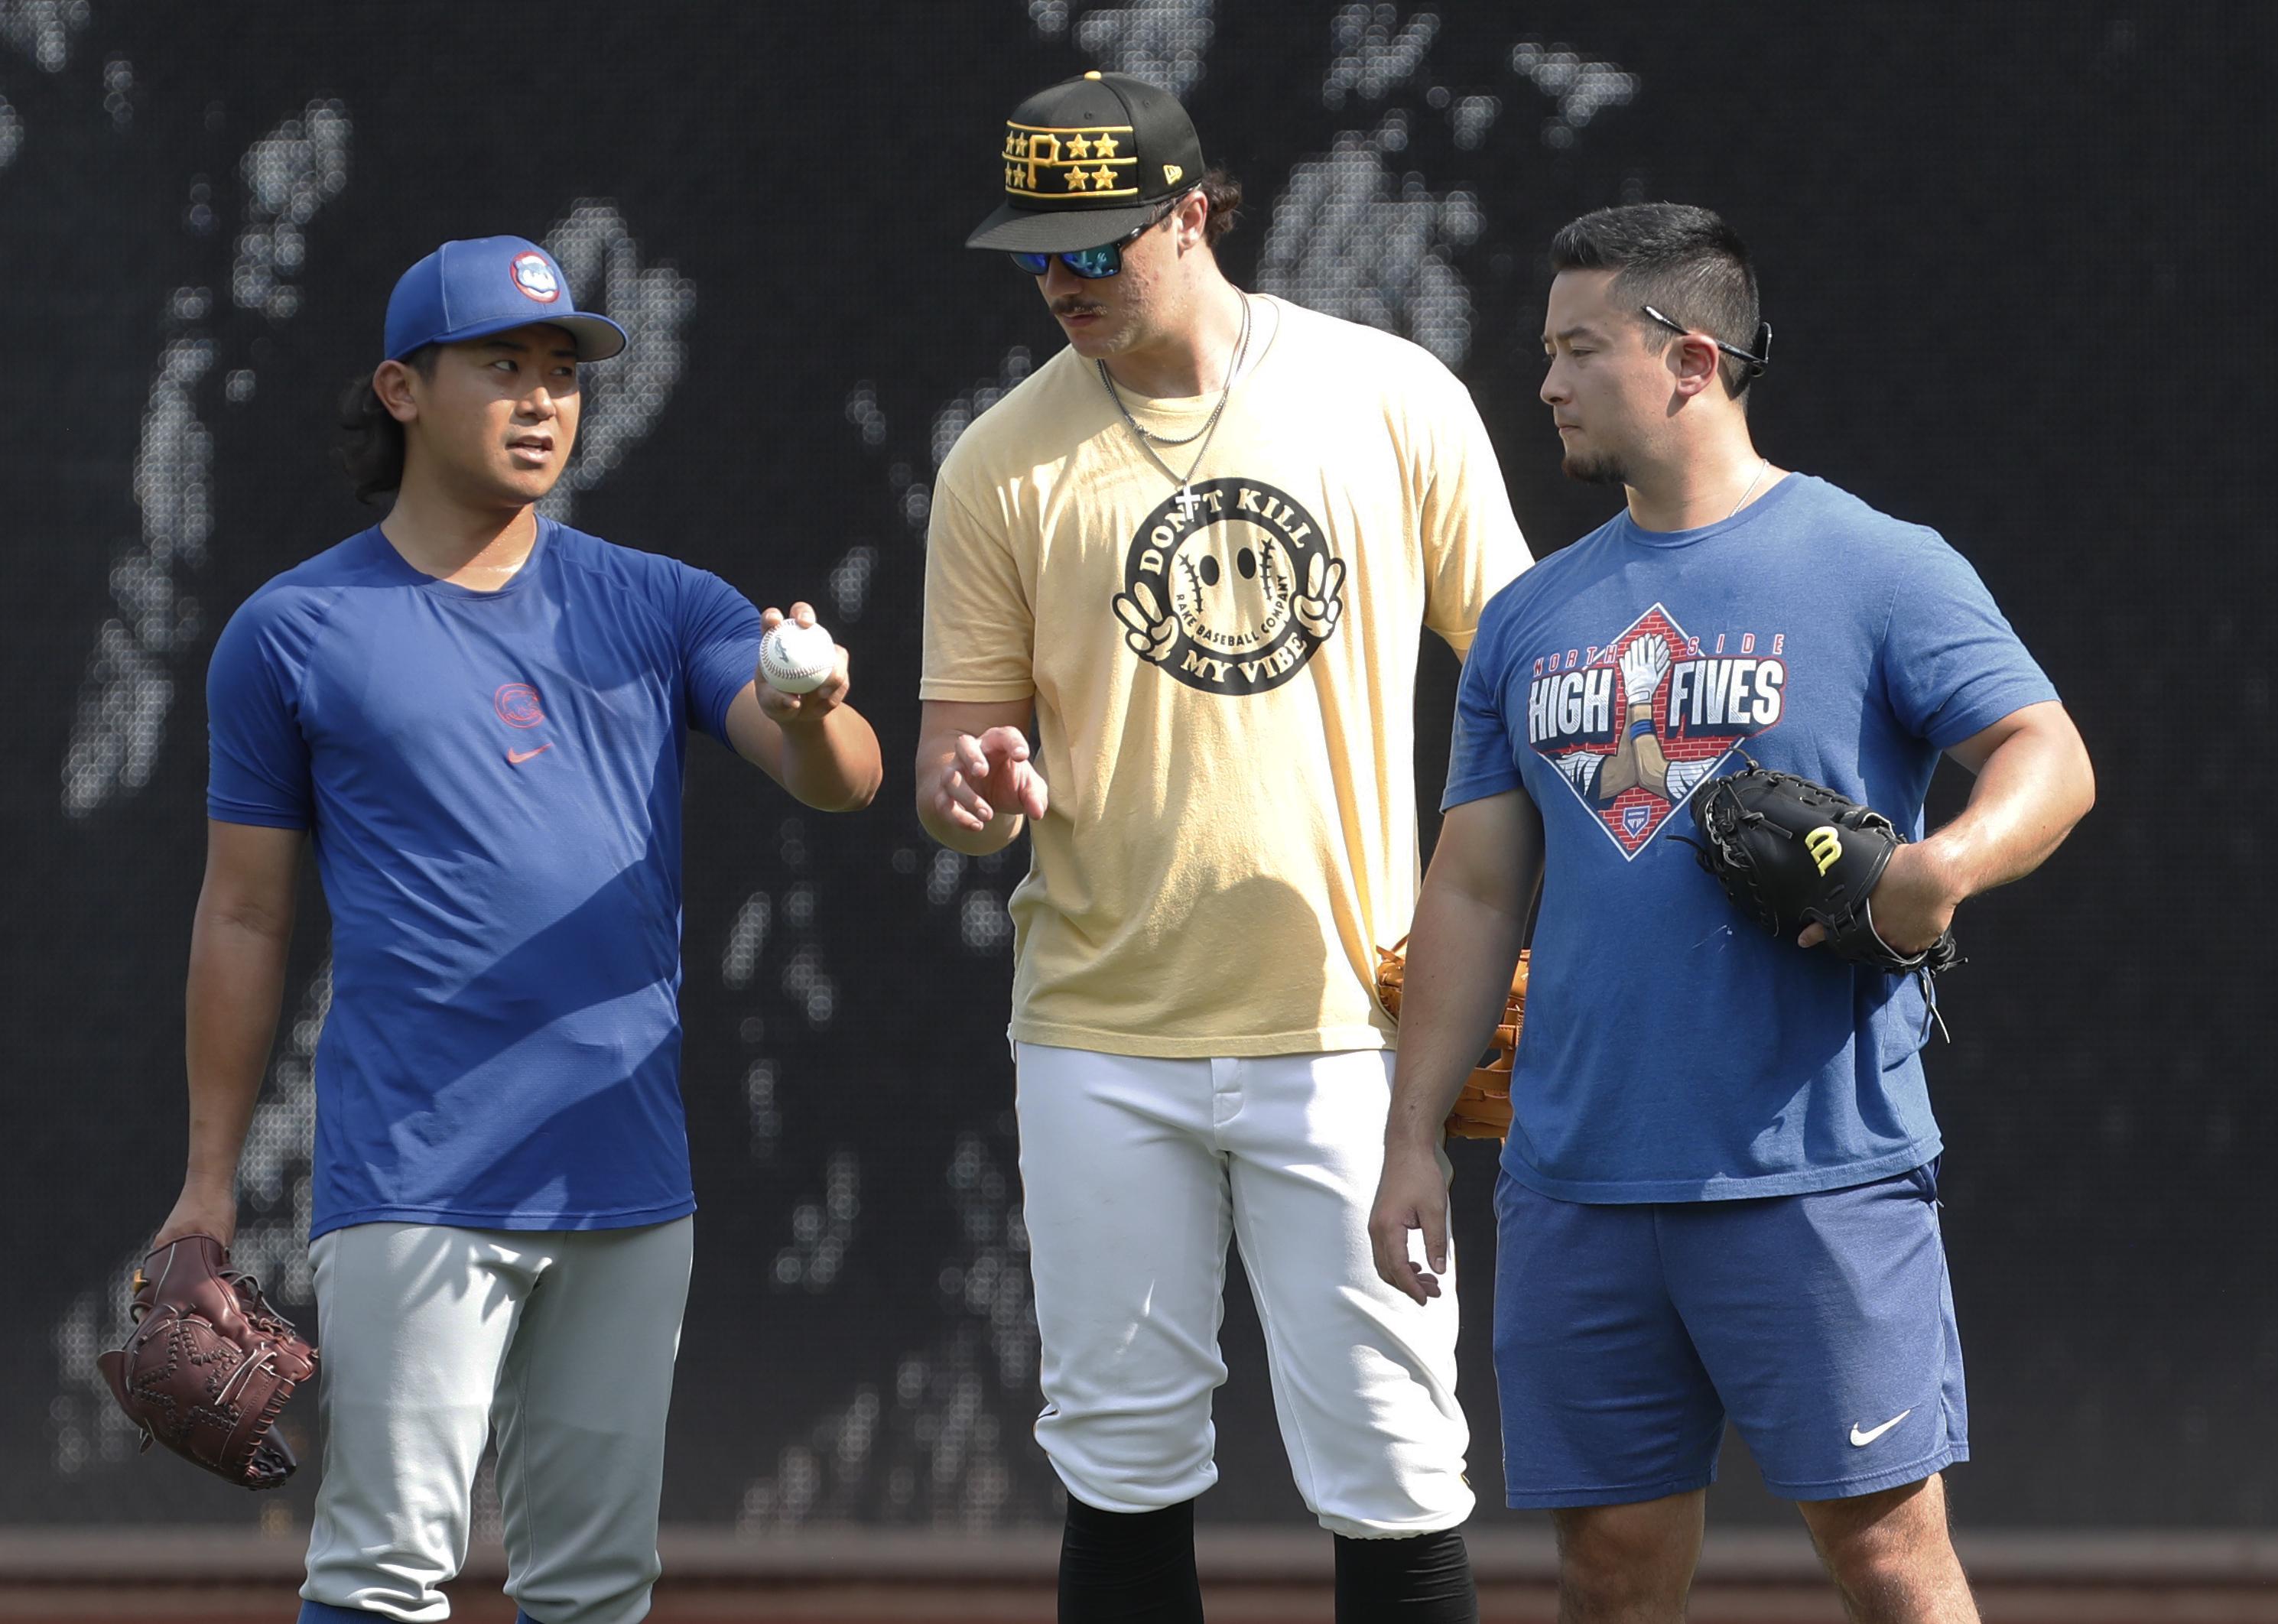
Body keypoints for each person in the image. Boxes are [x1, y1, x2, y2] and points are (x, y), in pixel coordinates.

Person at [1368, 203, 2094, 1624]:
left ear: (1691, 360)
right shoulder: (1528, 619)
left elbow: (2049, 759)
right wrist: (1409, 1136)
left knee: (1889, 1559)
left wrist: (1936, 870)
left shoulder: (1875, 563)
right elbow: (1469, 882)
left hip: (1811, 1170)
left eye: (1578, 350)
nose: (1547, 383)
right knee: (1610, 1575)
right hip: (1576, 1178)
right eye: (1545, 352)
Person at [145, 235, 882, 1624]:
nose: (544, 399)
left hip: (623, 1176)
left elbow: (836, 783)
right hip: (416, 1169)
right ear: (402, 389)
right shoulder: (292, 631)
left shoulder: (660, 603)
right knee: (380, 1571)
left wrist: (810, 706)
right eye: (504, 366)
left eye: (564, 373)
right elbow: (242, 913)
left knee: (596, 1585)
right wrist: (206, 1184)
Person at [919, 70, 1531, 1624]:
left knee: (1398, 1470)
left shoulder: (1389, 397)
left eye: (1096, 245)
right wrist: (971, 786)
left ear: (1194, 214)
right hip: (1099, 1034)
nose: (1060, 280)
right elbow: (948, 760)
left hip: (1355, 1031)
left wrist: (1542, 923)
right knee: (1121, 1470)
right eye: (1036, 253)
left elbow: (1537, 679)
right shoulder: (1002, 460)